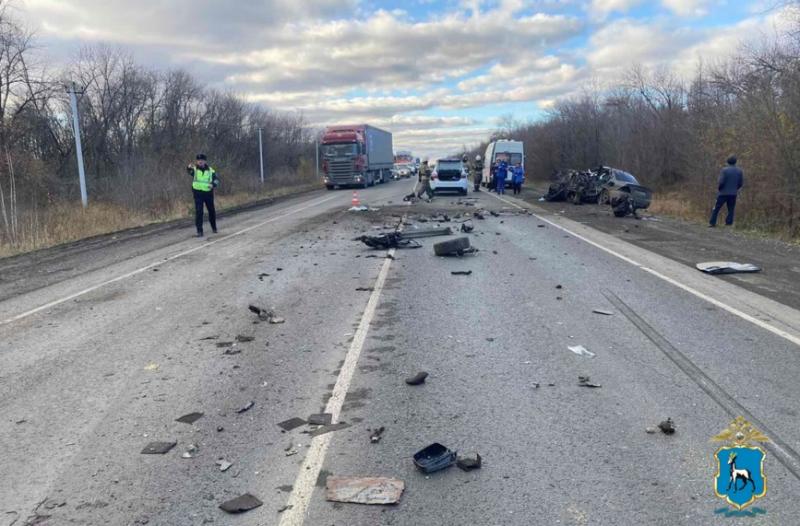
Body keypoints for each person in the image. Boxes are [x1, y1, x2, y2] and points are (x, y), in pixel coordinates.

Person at [187, 153, 220, 237]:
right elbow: (189, 171)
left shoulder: (211, 170)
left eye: (202, 160)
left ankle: (214, 227)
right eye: (198, 160)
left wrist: (213, 184)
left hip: (208, 193)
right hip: (198, 193)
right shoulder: (194, 169)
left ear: (205, 161)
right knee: (199, 212)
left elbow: (217, 180)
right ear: (196, 161)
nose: (200, 161)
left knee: (211, 211)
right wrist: (188, 167)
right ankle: (199, 231)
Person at [709, 155, 744, 227]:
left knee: (716, 208)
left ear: (727, 162)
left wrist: (719, 188)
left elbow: (721, 182)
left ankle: (712, 223)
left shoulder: (724, 170)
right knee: (731, 209)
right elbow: (740, 183)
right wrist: (735, 189)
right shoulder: (739, 171)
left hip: (723, 193)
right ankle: (729, 223)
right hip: (733, 193)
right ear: (735, 162)